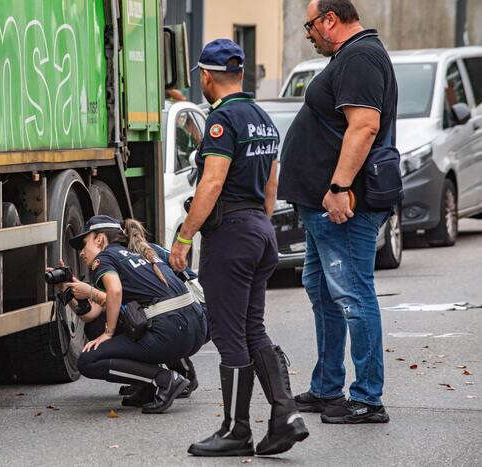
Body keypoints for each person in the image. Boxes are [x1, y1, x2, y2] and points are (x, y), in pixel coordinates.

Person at [169, 39, 308, 457]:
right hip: (261, 232)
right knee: (253, 329)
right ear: (242, 74)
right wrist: (260, 226)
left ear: (207, 77)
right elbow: (271, 184)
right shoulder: (263, 118)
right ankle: (286, 416)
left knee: (231, 336)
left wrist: (183, 236)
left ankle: (235, 430)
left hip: (230, 236)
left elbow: (211, 184)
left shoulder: (222, 121)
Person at [277, 0, 399, 424]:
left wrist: (339, 187)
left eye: (310, 25)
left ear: (330, 20)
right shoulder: (353, 56)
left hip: (343, 206)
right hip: (322, 207)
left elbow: (364, 125)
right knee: (324, 290)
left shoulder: (361, 56)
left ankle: (367, 398)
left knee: (352, 295)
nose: (308, 34)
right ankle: (328, 387)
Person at [62, 215, 207, 414]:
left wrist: (108, 332)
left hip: (171, 333)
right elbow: (92, 313)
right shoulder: (146, 250)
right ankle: (169, 377)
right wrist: (69, 289)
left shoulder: (104, 258)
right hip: (199, 326)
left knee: (88, 361)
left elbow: (114, 292)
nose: (80, 253)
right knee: (100, 324)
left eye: (83, 244)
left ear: (99, 239)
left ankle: (164, 380)